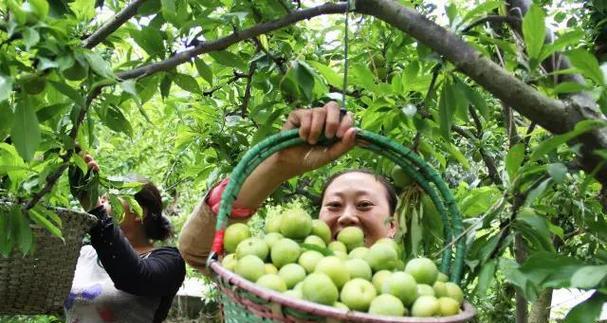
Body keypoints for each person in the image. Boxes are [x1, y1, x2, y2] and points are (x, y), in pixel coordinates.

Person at [178, 101, 397, 274]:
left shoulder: (413, 297)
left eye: (365, 204)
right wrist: (279, 166)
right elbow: (198, 252)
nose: (347, 216)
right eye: (334, 205)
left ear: (393, 226)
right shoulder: (279, 268)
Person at [65, 156, 186, 323]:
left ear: (138, 212)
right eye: (105, 193)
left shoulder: (170, 261)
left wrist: (94, 207)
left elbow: (134, 278)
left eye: (116, 193)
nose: (105, 197)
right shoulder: (85, 253)